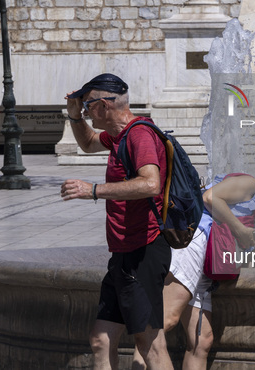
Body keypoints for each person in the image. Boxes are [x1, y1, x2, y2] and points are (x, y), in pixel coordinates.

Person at [133, 169, 255, 369]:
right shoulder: (250, 184)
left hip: (206, 265)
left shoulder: (252, 217)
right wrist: (239, 230)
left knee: (201, 342)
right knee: (165, 320)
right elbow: (210, 197)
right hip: (193, 243)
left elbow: (248, 263)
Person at [60, 73, 174, 370]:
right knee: (101, 339)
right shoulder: (121, 136)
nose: (85, 112)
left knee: (151, 345)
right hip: (124, 253)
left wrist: (94, 190)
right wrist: (74, 117)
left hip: (144, 251)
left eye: (87, 107)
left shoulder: (139, 135)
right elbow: (88, 143)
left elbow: (151, 184)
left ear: (103, 106)